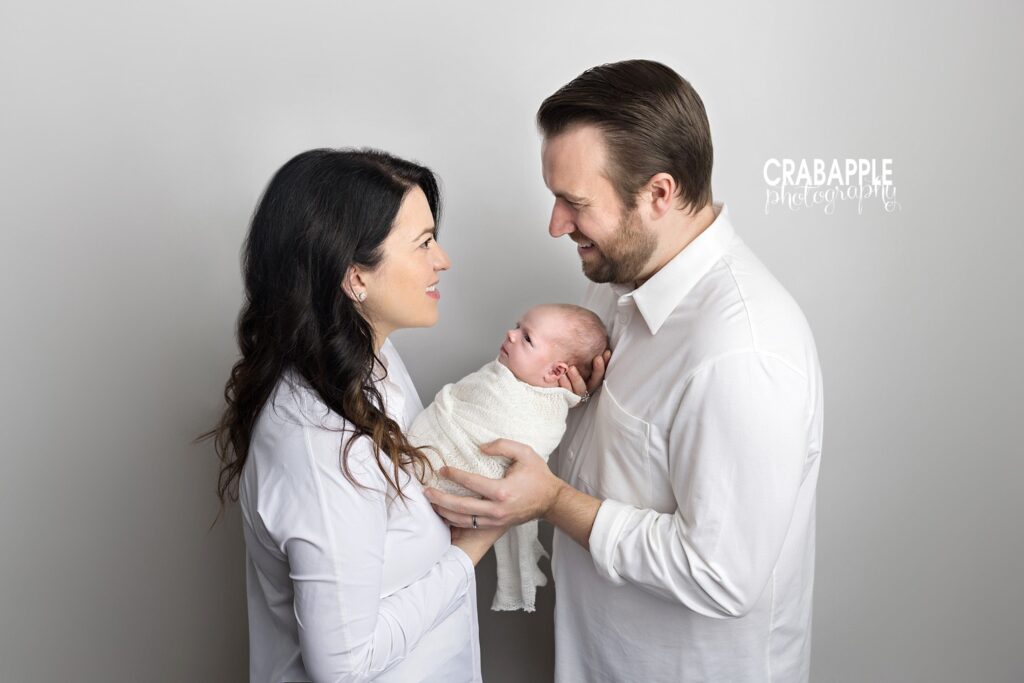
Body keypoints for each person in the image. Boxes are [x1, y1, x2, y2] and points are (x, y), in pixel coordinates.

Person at [425, 59, 825, 682]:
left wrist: (553, 501)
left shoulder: (743, 351)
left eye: (573, 202)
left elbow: (722, 575)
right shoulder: (620, 286)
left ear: (659, 194)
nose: (555, 224)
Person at [202, 148, 505, 682]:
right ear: (355, 277)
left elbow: (421, 469)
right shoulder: (317, 444)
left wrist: (545, 387)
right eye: (424, 243)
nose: (443, 259)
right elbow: (344, 669)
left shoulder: (368, 360)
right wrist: (469, 552)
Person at [409, 303, 607, 612]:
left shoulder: (537, 416)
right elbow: (459, 406)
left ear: (555, 372)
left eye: (527, 338)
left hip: (433, 492)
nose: (511, 334)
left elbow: (516, 450)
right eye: (518, 326)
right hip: (408, 479)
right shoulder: (501, 377)